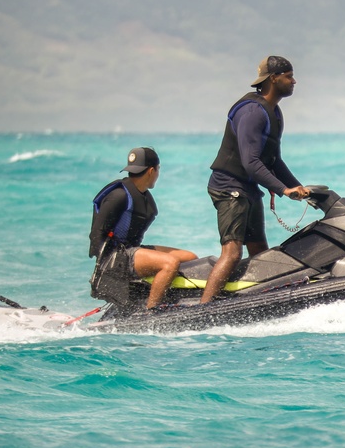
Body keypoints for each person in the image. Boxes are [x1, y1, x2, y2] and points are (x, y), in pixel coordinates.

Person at [201, 55, 310, 303]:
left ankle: (258, 302)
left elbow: (275, 161)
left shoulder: (274, 112)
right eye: (289, 76)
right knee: (232, 252)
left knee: (260, 251)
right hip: (229, 188)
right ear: (273, 78)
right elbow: (251, 163)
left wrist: (297, 186)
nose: (295, 81)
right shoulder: (252, 112)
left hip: (248, 188)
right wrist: (283, 191)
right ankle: (204, 309)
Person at [89, 147, 198, 309]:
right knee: (170, 263)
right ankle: (150, 311)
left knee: (190, 257)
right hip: (117, 258)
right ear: (152, 171)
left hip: (132, 250)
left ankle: (166, 298)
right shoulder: (119, 196)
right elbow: (96, 234)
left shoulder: (144, 197)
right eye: (158, 170)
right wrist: (108, 271)